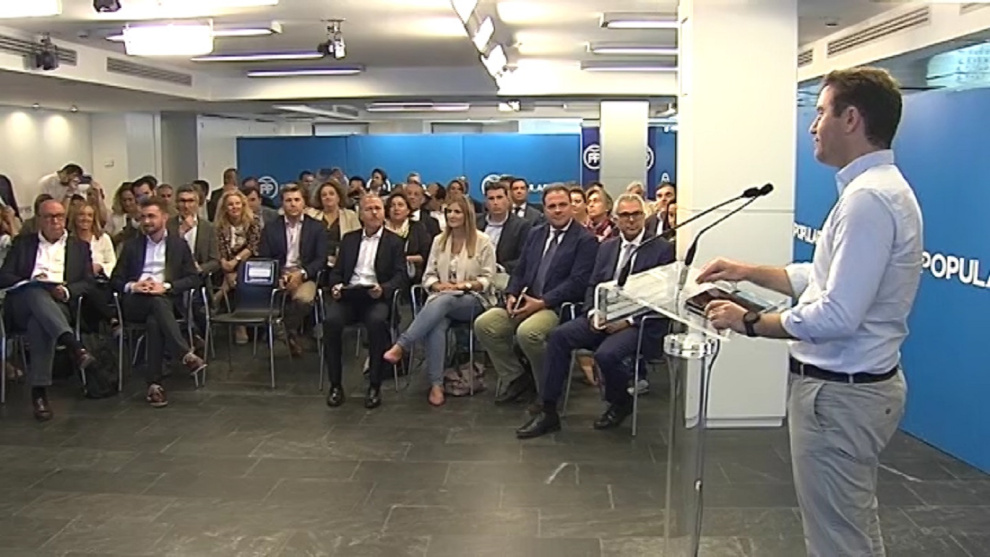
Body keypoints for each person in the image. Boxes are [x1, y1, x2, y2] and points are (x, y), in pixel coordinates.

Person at [699, 67, 921, 557]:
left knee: (837, 538)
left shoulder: (868, 200)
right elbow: (822, 281)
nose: (813, 126)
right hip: (850, 393)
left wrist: (749, 322)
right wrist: (747, 271)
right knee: (848, 525)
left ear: (851, 119)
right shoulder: (875, 190)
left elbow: (836, 315)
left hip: (840, 397)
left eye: (820, 113)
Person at [516, 194, 675, 438]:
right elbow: (593, 285)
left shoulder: (661, 250)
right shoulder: (607, 247)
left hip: (639, 323)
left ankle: (620, 402)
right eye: (625, 215)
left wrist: (626, 321)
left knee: (606, 354)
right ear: (616, 219)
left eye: (636, 214)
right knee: (558, 337)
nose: (631, 220)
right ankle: (548, 411)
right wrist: (593, 312)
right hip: (603, 316)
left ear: (644, 217)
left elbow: (663, 298)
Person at [474, 185, 598, 405]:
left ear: (571, 207)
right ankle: (518, 378)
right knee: (485, 324)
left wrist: (542, 302)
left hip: (556, 306)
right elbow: (520, 269)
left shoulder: (585, 240)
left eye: (562, 205)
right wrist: (512, 294)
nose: (557, 210)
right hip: (525, 301)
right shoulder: (536, 233)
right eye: (552, 206)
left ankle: (547, 391)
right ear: (544, 209)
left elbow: (578, 283)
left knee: (528, 333)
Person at [383, 195, 496, 406]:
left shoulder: (483, 241)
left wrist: (464, 286)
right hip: (441, 299)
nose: (452, 216)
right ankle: (436, 385)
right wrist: (437, 286)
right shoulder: (439, 240)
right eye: (449, 212)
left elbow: (488, 279)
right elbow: (428, 275)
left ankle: (402, 345)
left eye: (457, 212)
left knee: (446, 301)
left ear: (467, 215)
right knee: (437, 324)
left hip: (474, 300)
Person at [0, 199, 96, 421]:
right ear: (39, 220)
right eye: (49, 217)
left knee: (39, 324)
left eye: (59, 216)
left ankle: (39, 394)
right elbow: (4, 276)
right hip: (22, 303)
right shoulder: (23, 244)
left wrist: (66, 291)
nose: (55, 221)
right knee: (35, 291)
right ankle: (74, 345)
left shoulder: (79, 247)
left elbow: (88, 282)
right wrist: (32, 280)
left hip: (58, 305)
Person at [111, 197, 207, 408]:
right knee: (156, 304)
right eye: (143, 217)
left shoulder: (178, 245)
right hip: (136, 302)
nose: (146, 221)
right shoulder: (132, 246)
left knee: (155, 319)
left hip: (166, 301)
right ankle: (184, 353)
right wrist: (134, 285)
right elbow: (115, 280)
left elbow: (193, 278)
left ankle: (154, 385)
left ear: (164, 217)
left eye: (151, 216)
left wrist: (166, 286)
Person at [323, 195, 406, 410]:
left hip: (376, 297)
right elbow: (337, 272)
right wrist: (336, 286)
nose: (374, 212)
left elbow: (400, 276)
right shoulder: (349, 239)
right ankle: (335, 385)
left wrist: (384, 289)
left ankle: (374, 385)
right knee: (331, 322)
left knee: (377, 323)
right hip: (350, 296)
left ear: (384, 212)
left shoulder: (394, 242)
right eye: (369, 209)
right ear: (360, 214)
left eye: (378, 208)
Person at [258, 185, 328, 356]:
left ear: (304, 203)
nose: (293, 204)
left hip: (305, 276)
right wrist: (279, 276)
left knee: (304, 299)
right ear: (282, 204)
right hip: (279, 275)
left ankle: (283, 328)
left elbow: (321, 260)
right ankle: (289, 333)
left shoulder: (317, 227)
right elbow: (265, 258)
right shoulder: (271, 228)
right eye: (288, 200)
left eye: (297, 200)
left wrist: (301, 274)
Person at [168, 184, 220, 341]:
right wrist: (181, 232)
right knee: (183, 297)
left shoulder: (208, 228)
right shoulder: (168, 225)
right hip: (173, 277)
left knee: (193, 299)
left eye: (191, 201)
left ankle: (194, 335)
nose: (186, 206)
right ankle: (191, 336)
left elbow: (216, 261)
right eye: (182, 201)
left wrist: (200, 268)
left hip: (198, 278)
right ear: (176, 204)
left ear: (198, 204)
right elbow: (164, 254)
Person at [215, 189, 261, 343]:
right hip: (225, 266)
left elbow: (253, 246)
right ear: (224, 208)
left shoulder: (253, 222)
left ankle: (220, 296)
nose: (234, 207)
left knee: (238, 277)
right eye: (230, 204)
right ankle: (237, 322)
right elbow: (219, 247)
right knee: (227, 276)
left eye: (237, 203)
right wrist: (224, 262)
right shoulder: (220, 226)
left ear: (243, 205)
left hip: (249, 263)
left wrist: (235, 262)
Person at [68, 200, 120, 333]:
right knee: (87, 289)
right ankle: (112, 318)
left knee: (93, 291)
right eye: (81, 214)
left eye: (89, 215)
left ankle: (90, 334)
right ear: (74, 218)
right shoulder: (68, 240)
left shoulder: (103, 238)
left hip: (101, 282)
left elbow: (113, 263)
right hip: (78, 282)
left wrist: (100, 267)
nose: (85, 218)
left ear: (94, 218)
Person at [477, 180, 528, 274]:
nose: (495, 202)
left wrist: (500, 268)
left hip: (504, 275)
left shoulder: (521, 226)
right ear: (486, 202)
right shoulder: (475, 222)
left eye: (499, 197)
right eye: (491, 198)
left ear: (508, 200)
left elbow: (524, 258)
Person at [384, 191, 432, 286]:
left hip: (410, 275)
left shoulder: (418, 228)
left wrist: (405, 259)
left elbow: (426, 255)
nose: (396, 208)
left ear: (408, 210)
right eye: (392, 205)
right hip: (385, 274)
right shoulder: (381, 229)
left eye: (400, 205)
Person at [311, 179, 360, 267]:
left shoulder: (350, 216)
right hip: (316, 263)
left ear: (338, 197)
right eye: (324, 195)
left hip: (342, 263)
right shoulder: (313, 215)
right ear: (320, 199)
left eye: (331, 194)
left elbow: (357, 241)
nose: (328, 197)